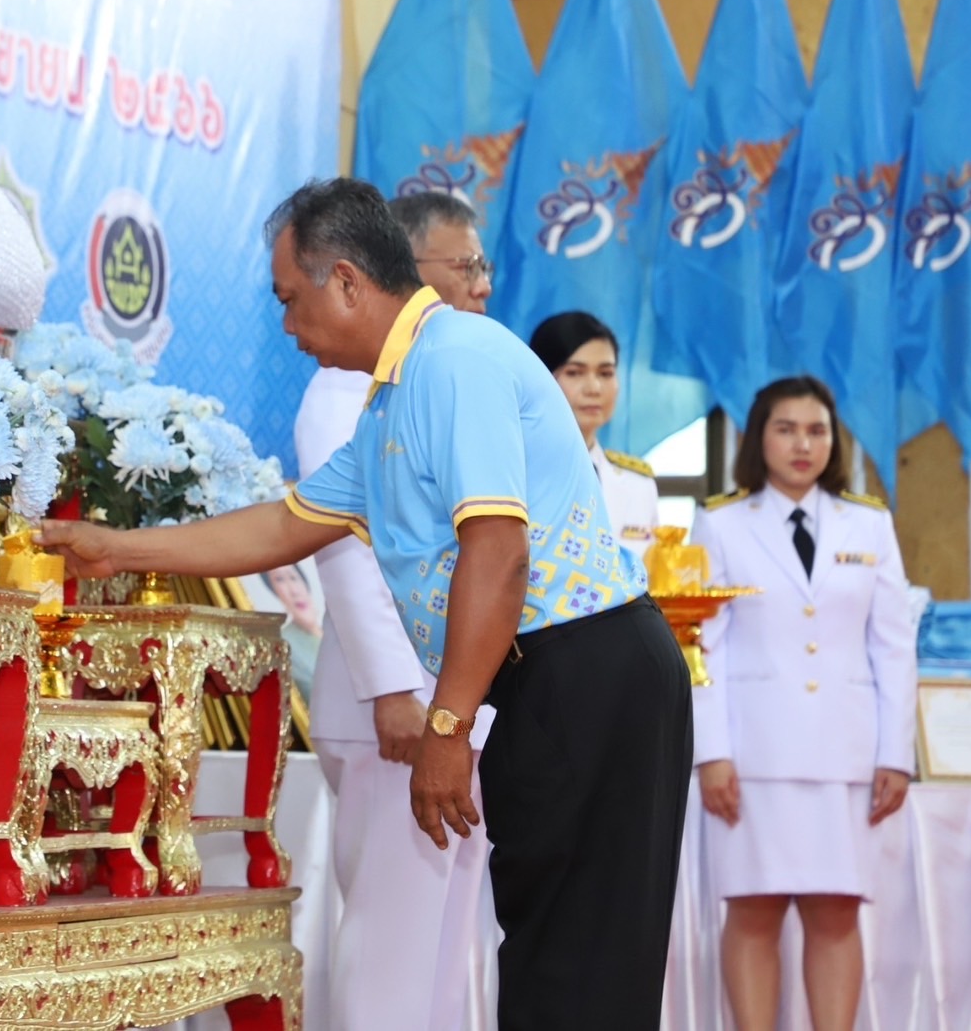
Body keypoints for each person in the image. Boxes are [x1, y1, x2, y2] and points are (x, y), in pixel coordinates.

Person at [41, 178, 693, 1029]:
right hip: (546, 683)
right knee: (546, 957)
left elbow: (498, 554)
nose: (286, 327)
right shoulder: (393, 400)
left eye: (290, 299)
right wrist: (117, 549)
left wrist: (446, 727)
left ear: (346, 280)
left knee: (583, 969)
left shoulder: (454, 361)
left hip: (589, 673)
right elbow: (284, 525)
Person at [293, 189, 498, 1030]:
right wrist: (391, 690)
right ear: (409, 272)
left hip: (451, 710)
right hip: (399, 714)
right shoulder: (344, 393)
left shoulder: (442, 378)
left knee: (447, 959)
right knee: (393, 953)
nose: (483, 286)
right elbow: (347, 556)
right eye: (467, 266)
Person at [691, 376, 916, 1031]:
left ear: (833, 441)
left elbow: (894, 647)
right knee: (754, 910)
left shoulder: (869, 523)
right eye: (785, 428)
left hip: (845, 756)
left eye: (816, 430)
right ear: (759, 436)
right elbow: (703, 645)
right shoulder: (722, 522)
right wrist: (712, 753)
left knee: (836, 912)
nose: (802, 444)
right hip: (752, 757)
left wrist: (896, 755)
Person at [529, 311, 658, 559]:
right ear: (540, 380)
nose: (594, 388)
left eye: (605, 373)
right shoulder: (516, 475)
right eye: (575, 372)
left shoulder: (639, 484)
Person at [258, 563, 322, 702]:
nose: (294, 590)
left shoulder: (334, 628)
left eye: (293, 577)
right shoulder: (284, 645)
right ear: (273, 590)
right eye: (280, 579)